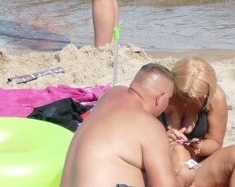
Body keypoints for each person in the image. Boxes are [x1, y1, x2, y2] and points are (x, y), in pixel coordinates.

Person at [60, 62, 177, 187]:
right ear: (160, 97)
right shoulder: (151, 126)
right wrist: (184, 178)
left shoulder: (111, 94)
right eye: (168, 99)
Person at [159, 57, 228, 187]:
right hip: (163, 164)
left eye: (198, 98)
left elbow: (216, 142)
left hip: (199, 165)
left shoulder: (215, 98)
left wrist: (198, 147)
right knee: (179, 150)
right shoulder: (160, 96)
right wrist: (163, 139)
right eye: (182, 95)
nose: (188, 101)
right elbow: (138, 135)